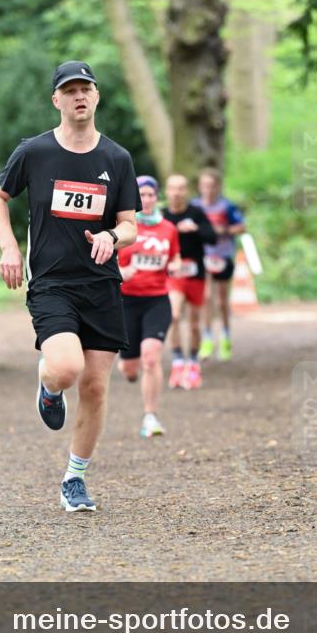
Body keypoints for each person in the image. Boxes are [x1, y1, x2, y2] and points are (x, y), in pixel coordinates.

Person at [0, 61, 140, 513]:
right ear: (57, 100)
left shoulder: (117, 158)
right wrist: (9, 248)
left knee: (95, 386)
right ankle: (49, 384)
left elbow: (130, 225)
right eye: (69, 90)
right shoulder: (34, 152)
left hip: (101, 285)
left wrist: (112, 237)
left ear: (96, 96)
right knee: (67, 368)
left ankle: (75, 478)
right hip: (52, 283)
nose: (79, 96)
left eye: (85, 89)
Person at [117, 176, 181, 438]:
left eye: (150, 194)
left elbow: (175, 257)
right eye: (141, 195)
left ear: (157, 197)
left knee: (151, 356)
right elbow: (104, 259)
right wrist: (120, 271)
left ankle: (150, 416)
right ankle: (130, 370)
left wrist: (175, 266)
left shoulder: (168, 229)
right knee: (129, 368)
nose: (146, 199)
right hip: (127, 302)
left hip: (157, 300)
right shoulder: (123, 228)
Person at [162, 174, 217, 390]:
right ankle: (177, 362)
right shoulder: (162, 215)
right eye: (172, 188)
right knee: (174, 315)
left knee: (194, 324)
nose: (176, 193)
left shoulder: (196, 213)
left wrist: (196, 229)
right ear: (167, 191)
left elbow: (212, 237)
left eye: (181, 188)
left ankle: (193, 363)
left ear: (186, 191)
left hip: (195, 274)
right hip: (173, 275)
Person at [192, 167, 246, 362]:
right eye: (205, 185)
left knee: (222, 301)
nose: (208, 189)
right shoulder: (194, 206)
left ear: (218, 187)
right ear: (200, 186)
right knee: (206, 298)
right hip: (203, 256)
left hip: (222, 256)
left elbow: (241, 227)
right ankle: (207, 339)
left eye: (212, 185)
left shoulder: (227, 206)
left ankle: (225, 336)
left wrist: (223, 230)